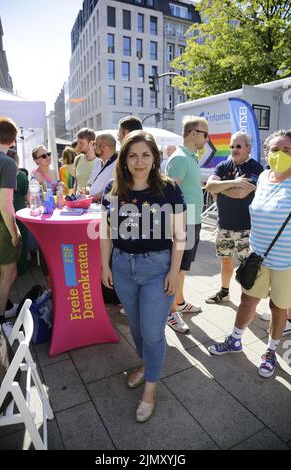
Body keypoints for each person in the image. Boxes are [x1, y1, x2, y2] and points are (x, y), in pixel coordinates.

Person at [101, 130, 186, 422]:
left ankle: (150, 388)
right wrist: (105, 265)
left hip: (157, 268)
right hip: (123, 267)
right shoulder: (114, 189)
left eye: (145, 155)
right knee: (136, 328)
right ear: (124, 159)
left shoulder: (169, 189)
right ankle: (146, 363)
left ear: (154, 158)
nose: (139, 161)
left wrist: (174, 272)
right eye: (133, 155)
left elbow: (180, 234)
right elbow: (107, 233)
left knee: (152, 331)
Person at [208, 129, 291, 378]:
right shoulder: (264, 177)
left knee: (278, 308)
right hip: (257, 257)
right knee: (247, 300)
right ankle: (235, 340)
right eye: (275, 150)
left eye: (287, 151)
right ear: (267, 152)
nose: (280, 155)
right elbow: (215, 187)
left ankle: (271, 351)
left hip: (285, 262)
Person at [205, 132, 263, 304]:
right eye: (232, 146)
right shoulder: (223, 165)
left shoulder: (255, 168)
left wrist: (220, 187)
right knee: (225, 259)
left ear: (248, 148)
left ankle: (248, 298)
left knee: (248, 266)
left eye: (239, 146)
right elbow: (209, 185)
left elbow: (240, 194)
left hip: (247, 229)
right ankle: (224, 292)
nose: (234, 149)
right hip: (224, 226)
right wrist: (234, 182)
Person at [165, 115, 208, 333]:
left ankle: (179, 302)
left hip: (193, 221)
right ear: (193, 133)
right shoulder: (181, 158)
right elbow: (169, 194)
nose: (206, 139)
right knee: (178, 269)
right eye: (205, 134)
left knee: (183, 268)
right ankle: (171, 312)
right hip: (184, 224)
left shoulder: (190, 157)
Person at [0, 117, 21, 337]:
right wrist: (15, 232)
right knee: (7, 274)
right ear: (12, 141)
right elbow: (5, 204)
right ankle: (0, 325)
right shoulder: (7, 163)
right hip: (0, 226)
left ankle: (3, 309)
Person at [7, 148, 29, 275]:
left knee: (8, 240)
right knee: (22, 239)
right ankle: (21, 268)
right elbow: (27, 196)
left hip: (4, 210)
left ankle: (9, 269)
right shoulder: (21, 176)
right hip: (20, 210)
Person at [87, 134, 117, 202]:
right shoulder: (98, 161)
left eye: (95, 144)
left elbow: (114, 188)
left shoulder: (118, 163)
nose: (93, 147)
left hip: (105, 206)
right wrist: (87, 190)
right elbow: (90, 183)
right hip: (93, 204)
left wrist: (92, 198)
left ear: (103, 146)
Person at [73, 128, 101, 193]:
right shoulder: (78, 159)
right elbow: (76, 184)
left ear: (91, 143)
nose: (78, 146)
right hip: (77, 200)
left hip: (92, 201)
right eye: (78, 142)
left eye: (81, 143)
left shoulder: (100, 162)